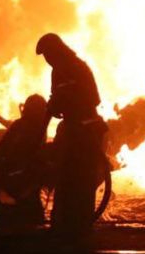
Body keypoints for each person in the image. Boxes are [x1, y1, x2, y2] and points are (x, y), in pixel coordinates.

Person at [35, 33, 108, 234]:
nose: (47, 59)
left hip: (85, 132)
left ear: (57, 51)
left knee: (80, 179)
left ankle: (79, 225)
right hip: (73, 129)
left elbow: (92, 99)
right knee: (66, 178)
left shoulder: (76, 68)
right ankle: (67, 222)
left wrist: (66, 104)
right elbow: (55, 101)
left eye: (48, 54)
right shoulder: (58, 71)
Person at [0, 94, 50, 229]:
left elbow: (0, 150)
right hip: (22, 178)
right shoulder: (35, 128)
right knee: (31, 213)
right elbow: (32, 153)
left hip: (14, 178)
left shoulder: (19, 125)